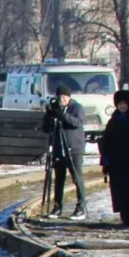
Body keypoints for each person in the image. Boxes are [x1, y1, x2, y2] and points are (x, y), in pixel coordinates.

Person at [40, 85, 88, 219]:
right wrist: (49, 114)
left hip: (74, 149)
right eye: (60, 97)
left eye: (65, 97)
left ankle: (81, 206)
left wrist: (63, 115)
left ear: (69, 97)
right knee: (59, 180)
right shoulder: (56, 108)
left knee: (77, 178)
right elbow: (46, 128)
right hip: (58, 149)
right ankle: (57, 206)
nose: (62, 100)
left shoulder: (77, 107)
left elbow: (78, 122)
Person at [98, 90, 129, 229]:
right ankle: (125, 217)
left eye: (125, 103)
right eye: (120, 103)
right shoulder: (113, 120)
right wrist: (106, 159)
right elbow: (107, 140)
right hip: (117, 162)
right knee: (120, 191)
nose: (122, 106)